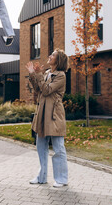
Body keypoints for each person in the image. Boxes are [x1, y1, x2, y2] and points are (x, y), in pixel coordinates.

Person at [26, 49, 69, 188]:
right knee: (41, 146)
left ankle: (62, 179)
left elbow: (46, 90)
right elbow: (38, 90)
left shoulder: (61, 76)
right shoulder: (46, 74)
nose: (49, 56)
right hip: (42, 113)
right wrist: (33, 73)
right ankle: (41, 177)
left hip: (54, 115)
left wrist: (38, 75)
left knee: (58, 147)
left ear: (59, 60)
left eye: (53, 55)